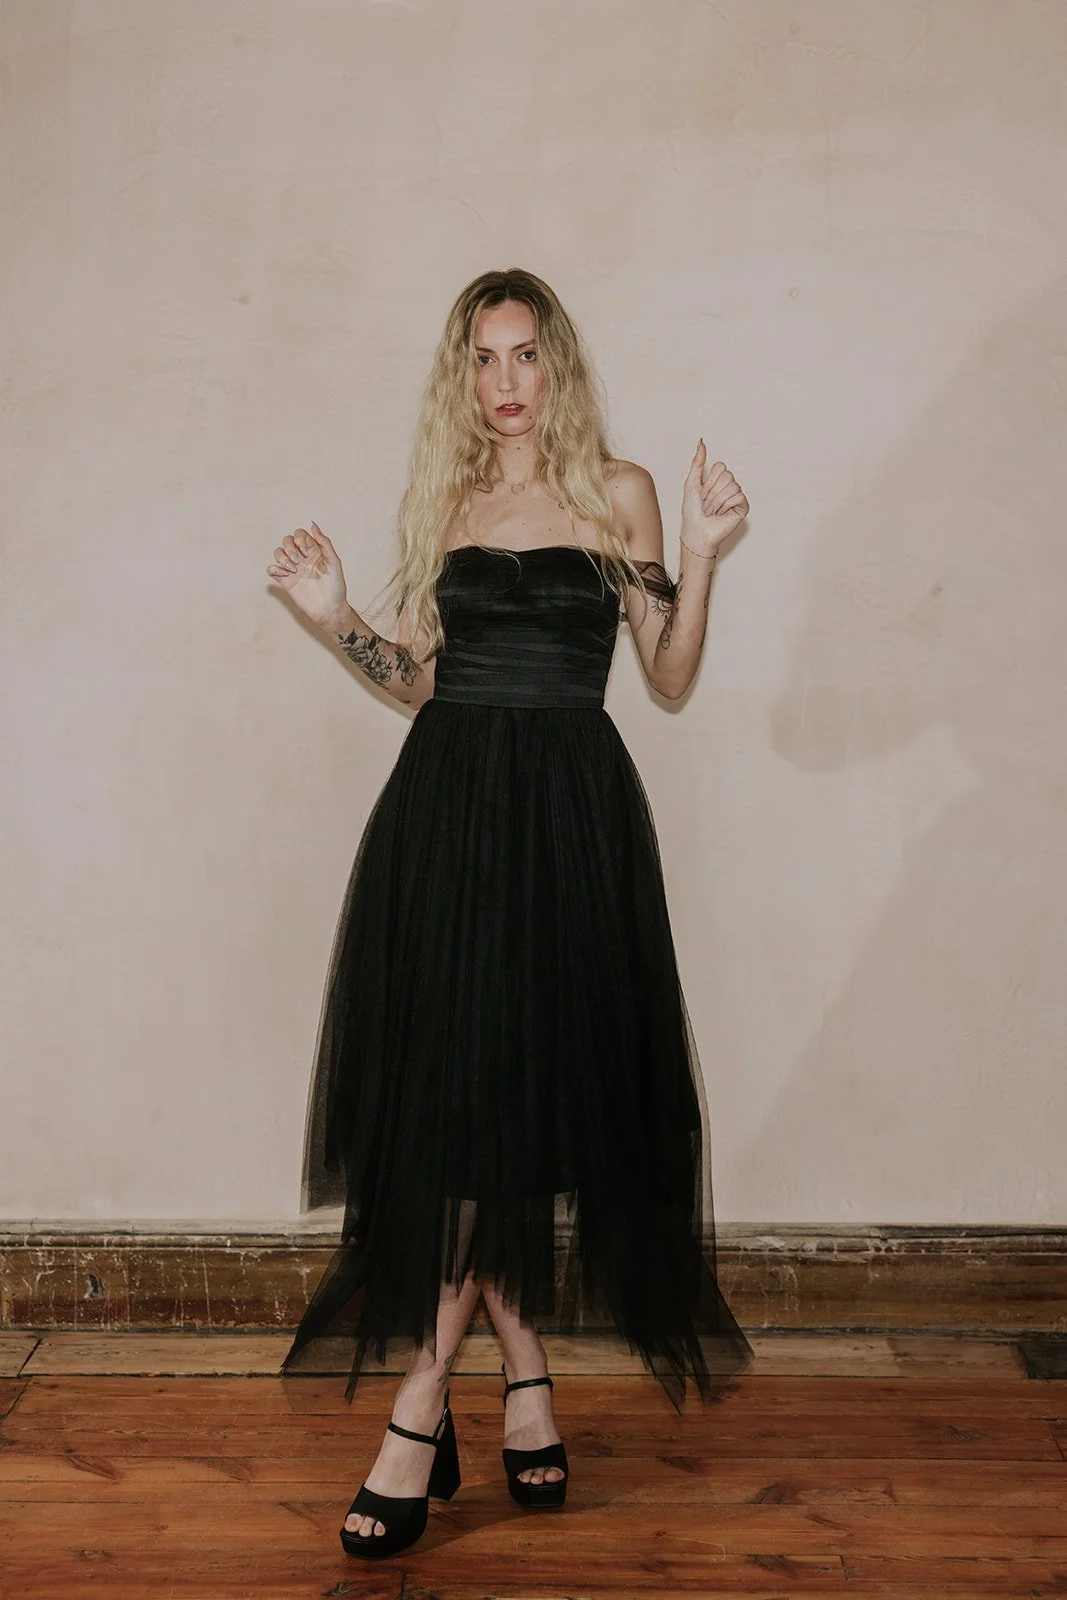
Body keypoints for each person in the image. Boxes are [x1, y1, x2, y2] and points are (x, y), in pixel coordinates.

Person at [266, 267, 753, 1559]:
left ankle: (433, 1401)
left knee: (522, 1106)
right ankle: (501, 1376)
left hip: (570, 824)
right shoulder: (449, 498)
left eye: (524, 354)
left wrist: (700, 556)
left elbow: (668, 672)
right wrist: (337, 622)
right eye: (482, 359)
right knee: (463, 1112)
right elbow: (425, 684)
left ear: (558, 364)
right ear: (461, 377)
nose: (505, 382)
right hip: (448, 818)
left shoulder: (619, 492)